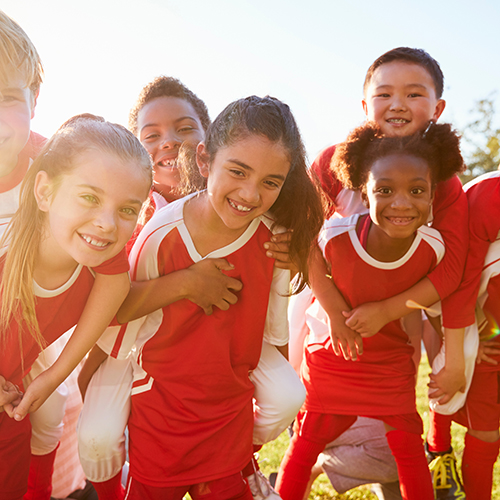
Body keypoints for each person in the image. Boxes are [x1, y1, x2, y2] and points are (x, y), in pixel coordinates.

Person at [77, 79, 305, 500]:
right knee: (97, 435)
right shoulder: (142, 217)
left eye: (183, 129)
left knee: (288, 395)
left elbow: (274, 331)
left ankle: (238, 461)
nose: (169, 144)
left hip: (224, 355)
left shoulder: (268, 230)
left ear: (201, 140)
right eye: (152, 135)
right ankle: (109, 487)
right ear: (207, 161)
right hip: (138, 345)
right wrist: (186, 283)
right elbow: (115, 316)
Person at [290, 47, 469, 498]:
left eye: (414, 94)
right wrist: (332, 309)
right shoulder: (335, 161)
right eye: (384, 93)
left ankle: (433, 451)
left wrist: (388, 309)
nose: (398, 104)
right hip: (332, 305)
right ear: (365, 105)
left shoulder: (444, 181)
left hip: (404, 312)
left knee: (399, 410)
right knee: (312, 407)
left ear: (437, 108)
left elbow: (450, 272)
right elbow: (303, 238)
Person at [0, 114, 153, 500]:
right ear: (44, 191)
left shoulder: (104, 267)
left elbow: (118, 286)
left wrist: (52, 376)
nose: (106, 223)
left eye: (127, 210)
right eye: (89, 197)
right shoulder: (5, 253)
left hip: (7, 417)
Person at [428, 170, 500, 499]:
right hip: (460, 301)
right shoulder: (489, 197)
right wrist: (469, 332)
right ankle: (438, 451)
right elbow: (460, 279)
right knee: (454, 375)